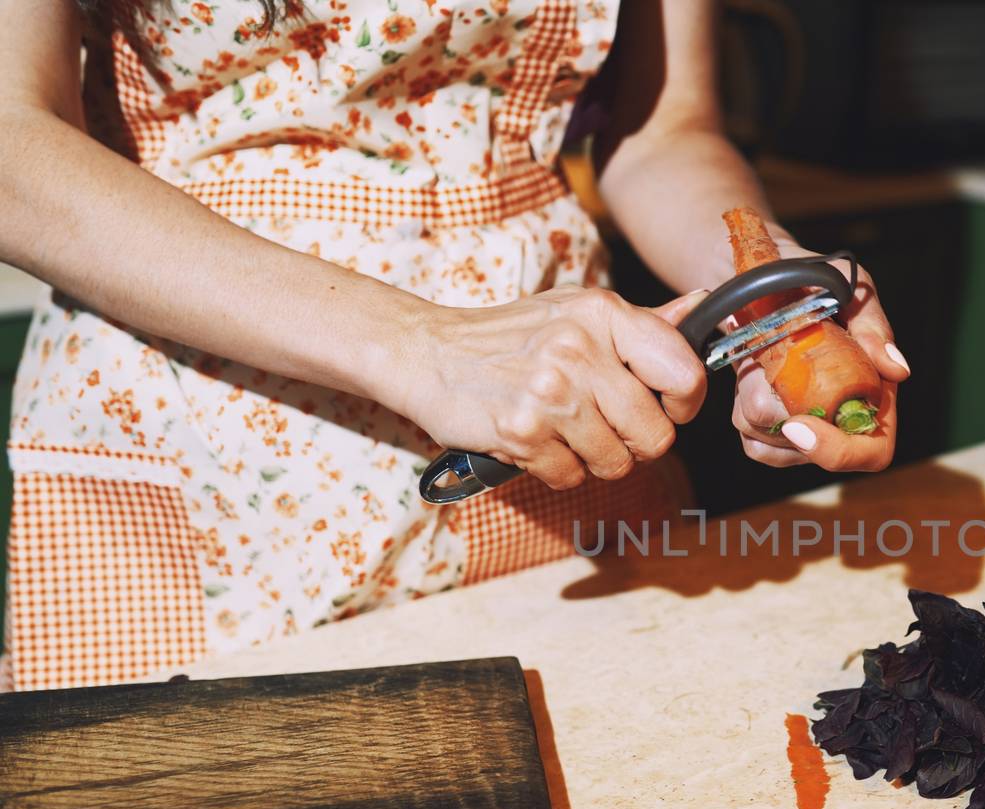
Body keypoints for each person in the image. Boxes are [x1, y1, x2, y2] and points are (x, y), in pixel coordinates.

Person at [0, 0, 907, 691]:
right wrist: (428, 345)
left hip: (556, 432)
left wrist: (775, 298)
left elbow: (662, 132)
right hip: (202, 442)